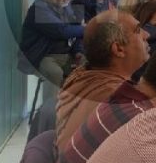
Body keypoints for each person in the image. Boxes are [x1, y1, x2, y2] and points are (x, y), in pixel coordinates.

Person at [54, 11, 149, 152]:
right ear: (118, 49)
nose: (147, 35)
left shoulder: (83, 75)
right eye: (138, 30)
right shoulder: (116, 99)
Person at [20, 0, 85, 105]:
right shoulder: (39, 8)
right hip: (43, 56)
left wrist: (78, 51)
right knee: (55, 73)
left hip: (67, 55)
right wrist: (84, 29)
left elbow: (75, 32)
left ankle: (76, 109)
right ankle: (50, 112)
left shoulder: (67, 7)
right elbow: (61, 31)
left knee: (89, 66)